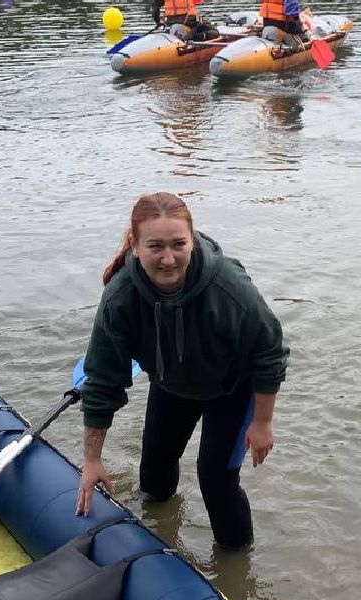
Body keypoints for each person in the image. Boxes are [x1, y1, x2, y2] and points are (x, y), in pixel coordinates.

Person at [75, 192, 288, 551]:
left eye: (178, 244)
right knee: (154, 474)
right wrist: (92, 459)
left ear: (192, 240)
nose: (168, 258)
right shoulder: (120, 297)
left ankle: (235, 570)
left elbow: (269, 351)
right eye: (155, 246)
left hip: (231, 389)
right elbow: (102, 380)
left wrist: (263, 422)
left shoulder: (227, 285)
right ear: (136, 245)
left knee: (216, 483)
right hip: (171, 385)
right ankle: (156, 539)